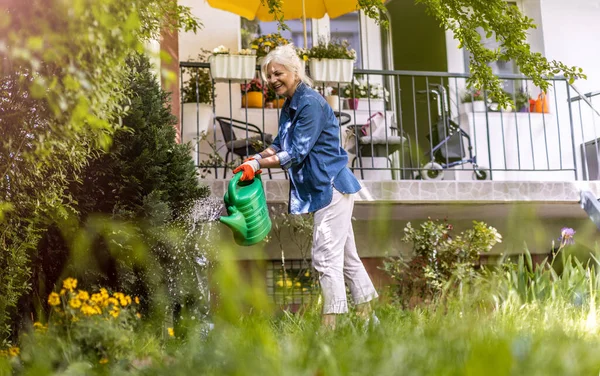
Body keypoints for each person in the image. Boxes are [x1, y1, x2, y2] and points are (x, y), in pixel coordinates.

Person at [233, 44, 378, 329]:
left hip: (331, 186)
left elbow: (296, 152)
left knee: (325, 257)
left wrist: (259, 166)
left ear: (295, 71)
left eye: (278, 73)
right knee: (347, 257)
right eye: (268, 75)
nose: (272, 79)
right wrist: (256, 158)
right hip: (324, 187)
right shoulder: (291, 104)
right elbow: (279, 145)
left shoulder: (309, 102)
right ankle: (368, 319)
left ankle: (330, 326)